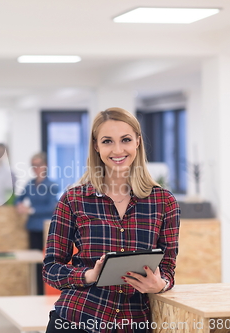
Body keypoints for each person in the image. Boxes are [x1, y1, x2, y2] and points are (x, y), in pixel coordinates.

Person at [43, 107, 180, 333]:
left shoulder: (164, 202)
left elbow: (167, 268)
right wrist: (90, 275)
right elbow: (51, 268)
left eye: (125, 139)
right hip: (77, 319)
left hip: (132, 323)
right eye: (107, 141)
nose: (118, 149)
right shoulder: (73, 199)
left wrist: (160, 284)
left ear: (137, 142)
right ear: (96, 146)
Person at [16, 152, 59, 295]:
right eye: (33, 165)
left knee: (44, 262)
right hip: (32, 227)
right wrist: (20, 205)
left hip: (45, 229)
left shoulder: (51, 185)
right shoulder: (30, 183)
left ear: (45, 166)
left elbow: (51, 207)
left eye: (38, 165)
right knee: (34, 262)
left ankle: (44, 292)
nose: (36, 168)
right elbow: (19, 197)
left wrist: (32, 209)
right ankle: (35, 292)